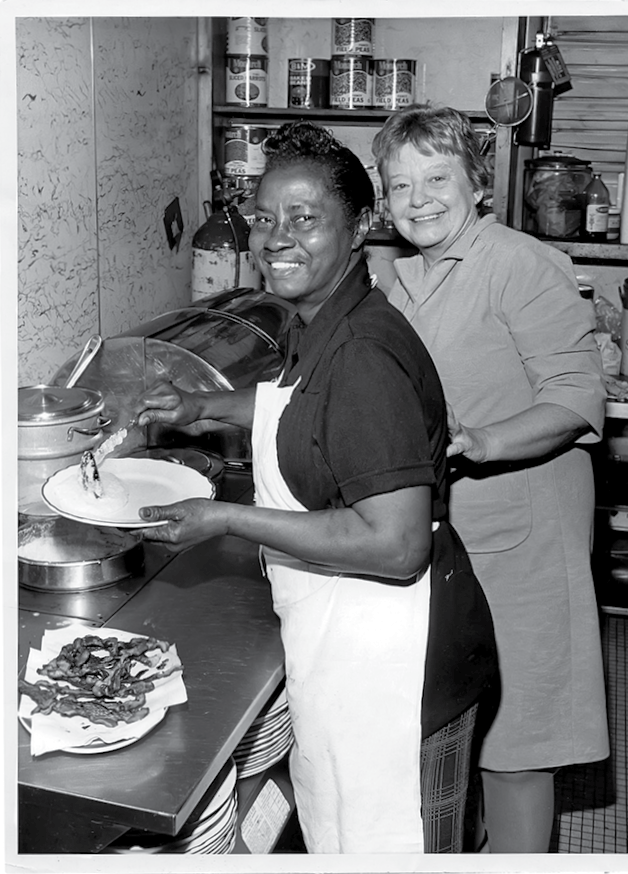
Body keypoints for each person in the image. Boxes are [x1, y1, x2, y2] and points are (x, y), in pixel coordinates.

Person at [132, 121, 496, 854]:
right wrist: (204, 407)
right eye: (265, 219)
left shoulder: (364, 350)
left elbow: (393, 546)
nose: (275, 240)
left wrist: (226, 517)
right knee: (336, 830)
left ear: (360, 226)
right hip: (348, 640)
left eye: (304, 219)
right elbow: (305, 406)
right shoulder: (324, 318)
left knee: (388, 842)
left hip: (393, 659)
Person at [371, 104, 610, 854]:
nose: (419, 200)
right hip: (449, 537)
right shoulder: (404, 277)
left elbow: (577, 399)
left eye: (436, 178)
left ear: (478, 183)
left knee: (516, 742)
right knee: (455, 721)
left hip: (524, 535)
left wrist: (479, 441)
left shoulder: (520, 263)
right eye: (400, 184)